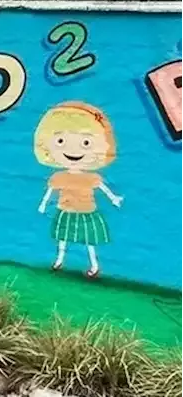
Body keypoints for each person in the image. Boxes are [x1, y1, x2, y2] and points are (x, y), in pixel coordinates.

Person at [34, 101, 122, 279]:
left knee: (89, 241)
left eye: (86, 142)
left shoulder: (91, 177)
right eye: (60, 141)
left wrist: (114, 199)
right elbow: (50, 192)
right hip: (65, 211)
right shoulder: (58, 177)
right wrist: (43, 204)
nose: (73, 150)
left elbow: (103, 189)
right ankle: (59, 261)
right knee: (62, 238)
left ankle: (94, 265)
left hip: (86, 212)